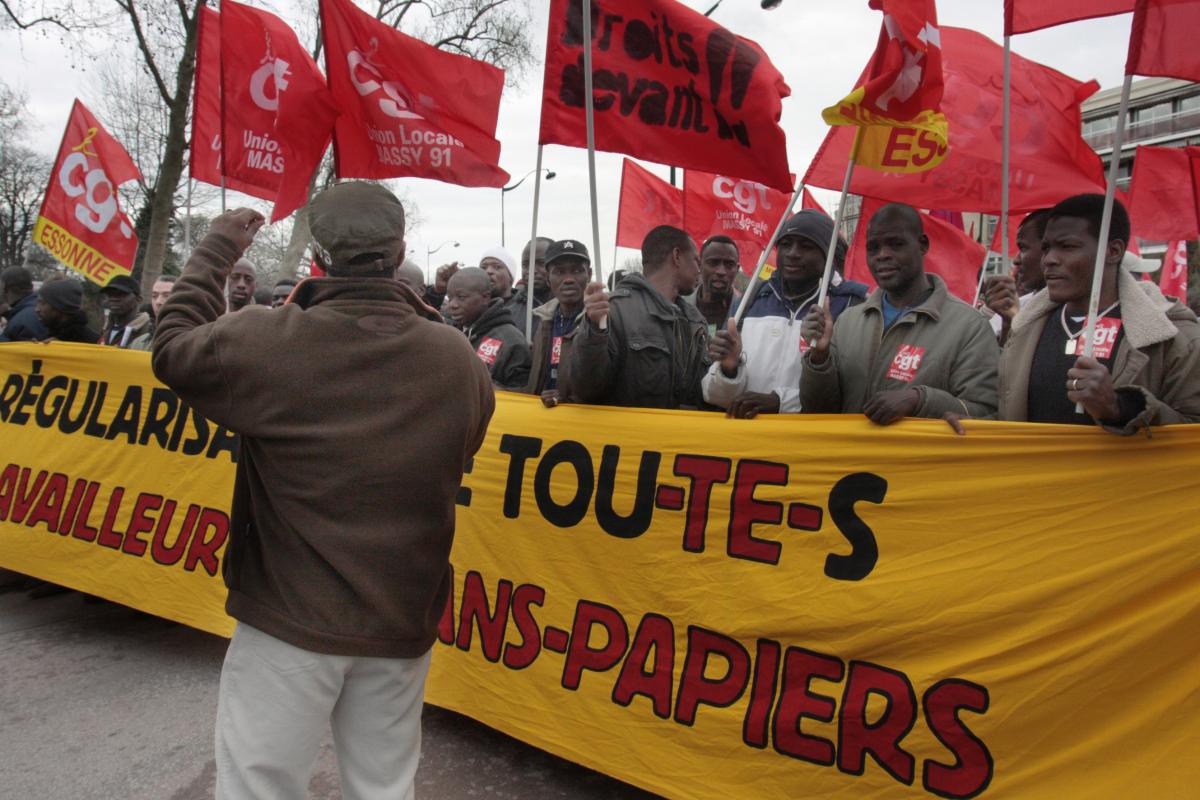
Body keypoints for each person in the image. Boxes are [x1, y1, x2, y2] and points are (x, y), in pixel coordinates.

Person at [151, 182, 494, 799]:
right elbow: (462, 450)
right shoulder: (457, 357)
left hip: (288, 619)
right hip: (401, 618)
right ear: (400, 250)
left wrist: (215, 253)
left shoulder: (267, 339)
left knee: (261, 786)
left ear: (318, 256)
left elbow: (172, 345)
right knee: (385, 788)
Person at [991, 194, 1200, 434]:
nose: (1049, 260)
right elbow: (1002, 413)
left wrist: (1119, 408)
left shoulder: (1173, 336)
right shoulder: (1025, 328)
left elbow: (1192, 438)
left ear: (1112, 251)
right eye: (1046, 248)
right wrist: (965, 420)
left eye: (1067, 247)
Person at [800, 203, 999, 424]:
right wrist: (819, 359)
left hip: (916, 459)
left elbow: (985, 414)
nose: (882, 255)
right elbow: (818, 411)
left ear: (922, 244)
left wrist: (920, 400)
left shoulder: (969, 326)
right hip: (851, 457)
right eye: (873, 247)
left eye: (896, 244)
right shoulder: (847, 321)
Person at [703, 211, 869, 418]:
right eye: (785, 244)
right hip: (746, 442)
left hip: (807, 445)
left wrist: (780, 403)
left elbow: (851, 395)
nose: (792, 253)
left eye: (806, 246)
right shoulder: (752, 298)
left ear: (828, 254)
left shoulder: (852, 305)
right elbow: (715, 396)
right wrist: (729, 370)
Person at [568, 225, 710, 409]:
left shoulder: (695, 321)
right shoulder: (611, 310)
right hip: (628, 436)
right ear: (677, 256)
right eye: (696, 260)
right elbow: (586, 389)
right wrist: (594, 331)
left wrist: (728, 370)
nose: (699, 269)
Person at [445, 266, 532, 390]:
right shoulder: (450, 334)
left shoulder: (511, 340)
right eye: (450, 298)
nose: (452, 305)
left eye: (461, 297)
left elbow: (523, 395)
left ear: (485, 298)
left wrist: (488, 387)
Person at [526, 239, 590, 405]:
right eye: (559, 272)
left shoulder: (602, 321)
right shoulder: (543, 320)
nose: (568, 279)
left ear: (589, 274)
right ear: (548, 278)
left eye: (577, 271)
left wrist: (567, 398)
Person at [984, 209, 1050, 343]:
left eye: (1023, 248)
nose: (1016, 260)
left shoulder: (1088, 313)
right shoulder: (1017, 306)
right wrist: (1008, 324)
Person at [687, 235, 741, 335]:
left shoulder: (746, 313)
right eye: (713, 263)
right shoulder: (677, 307)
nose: (721, 272)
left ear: (737, 269)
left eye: (729, 265)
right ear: (699, 264)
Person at [509, 237, 553, 337]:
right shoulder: (508, 311)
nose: (531, 270)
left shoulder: (569, 306)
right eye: (525, 265)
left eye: (541, 263)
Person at [35, 279, 100, 344]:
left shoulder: (92, 344)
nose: (37, 309)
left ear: (60, 306)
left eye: (43, 303)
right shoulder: (50, 334)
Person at [99, 275, 153, 350]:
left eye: (121, 294)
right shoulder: (106, 329)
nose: (114, 299)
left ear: (138, 299)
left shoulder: (148, 331)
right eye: (110, 294)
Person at [0, 266, 49, 342]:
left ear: (5, 288)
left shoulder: (22, 322)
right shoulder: (36, 306)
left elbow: (19, 352)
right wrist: (9, 315)